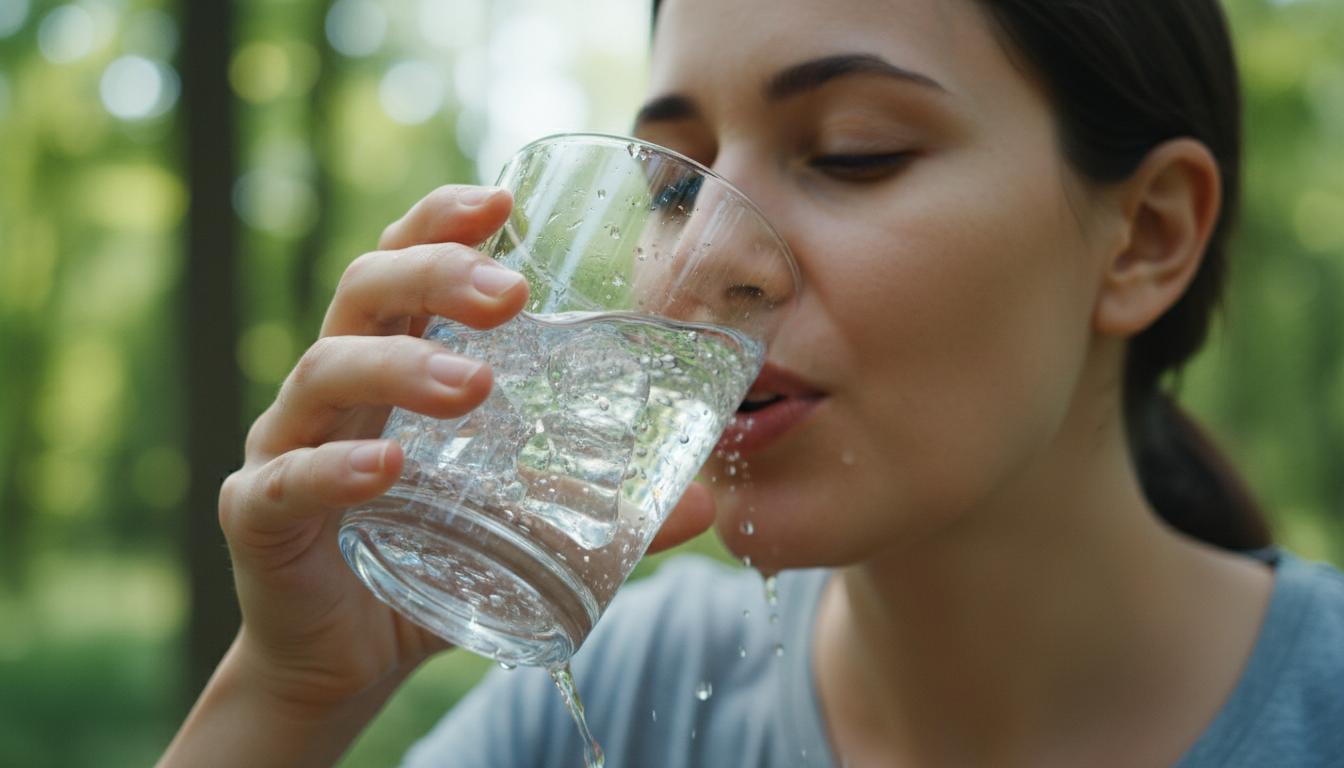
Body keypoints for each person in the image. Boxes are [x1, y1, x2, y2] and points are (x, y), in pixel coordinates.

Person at [160, 0, 1344, 765]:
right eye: (676, 188)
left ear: (1145, 237)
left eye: (852, 153)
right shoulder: (625, 701)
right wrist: (291, 695)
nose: (696, 265)